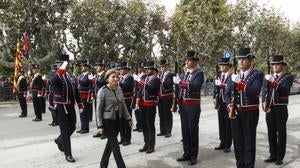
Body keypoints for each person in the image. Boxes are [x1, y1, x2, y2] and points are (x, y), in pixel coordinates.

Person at [225, 47, 263, 168]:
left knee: (249, 142)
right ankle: (240, 165)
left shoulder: (257, 74)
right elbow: (227, 94)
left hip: (250, 113)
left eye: (244, 59)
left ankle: (249, 166)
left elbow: (255, 91)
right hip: (235, 113)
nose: (241, 61)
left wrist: (241, 84)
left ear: (250, 60)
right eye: (239, 59)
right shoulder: (234, 76)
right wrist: (229, 105)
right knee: (237, 141)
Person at [49, 55, 84, 163]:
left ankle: (60, 140)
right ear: (60, 65)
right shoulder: (55, 74)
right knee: (64, 130)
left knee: (72, 126)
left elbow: (75, 91)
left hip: (70, 105)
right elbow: (53, 81)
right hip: (61, 106)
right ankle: (68, 154)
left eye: (67, 64)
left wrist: (80, 104)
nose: (67, 66)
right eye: (65, 64)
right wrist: (61, 69)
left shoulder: (70, 76)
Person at [96, 69, 132, 168]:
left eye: (117, 77)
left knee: (110, 145)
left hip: (118, 120)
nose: (116, 79)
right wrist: (100, 125)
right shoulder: (102, 91)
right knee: (116, 147)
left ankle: (103, 165)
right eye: (113, 77)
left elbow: (123, 105)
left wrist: (128, 118)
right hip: (107, 122)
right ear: (107, 79)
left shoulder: (119, 89)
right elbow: (98, 110)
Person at [173, 50, 204, 165]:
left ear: (195, 62)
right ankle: (186, 153)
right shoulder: (184, 74)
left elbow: (196, 86)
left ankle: (193, 155)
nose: (186, 61)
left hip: (193, 105)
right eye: (186, 59)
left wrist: (181, 83)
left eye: (189, 59)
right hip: (183, 105)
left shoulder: (199, 73)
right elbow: (179, 89)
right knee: (185, 130)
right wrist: (176, 101)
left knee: (192, 130)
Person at [262, 55, 293, 165]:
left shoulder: (288, 77)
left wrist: (274, 82)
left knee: (281, 133)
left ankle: (280, 156)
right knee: (271, 133)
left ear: (282, 65)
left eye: (277, 64)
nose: (275, 66)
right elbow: (264, 91)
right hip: (270, 108)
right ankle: (273, 154)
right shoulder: (269, 77)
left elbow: (285, 91)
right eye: (273, 64)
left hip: (280, 108)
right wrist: (264, 102)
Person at [134, 61, 160, 154]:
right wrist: (138, 99)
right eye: (147, 69)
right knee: (144, 125)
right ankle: (146, 143)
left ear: (153, 70)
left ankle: (151, 145)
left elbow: (151, 89)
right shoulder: (145, 78)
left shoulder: (156, 79)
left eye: (149, 69)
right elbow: (140, 90)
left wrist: (140, 82)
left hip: (150, 104)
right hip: (143, 104)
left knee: (150, 125)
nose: (148, 70)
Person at [213, 57, 232, 153]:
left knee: (228, 124)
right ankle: (222, 142)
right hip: (220, 102)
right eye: (220, 65)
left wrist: (221, 85)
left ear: (228, 66)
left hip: (227, 103)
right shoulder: (219, 76)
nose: (221, 67)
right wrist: (214, 98)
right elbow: (215, 88)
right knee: (221, 124)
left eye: (223, 65)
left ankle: (228, 144)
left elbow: (230, 87)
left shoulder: (231, 76)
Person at [118, 62, 135, 146]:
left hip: (127, 101)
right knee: (120, 120)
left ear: (126, 70)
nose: (120, 70)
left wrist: (118, 83)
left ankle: (127, 139)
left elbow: (127, 86)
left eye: (122, 69)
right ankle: (122, 138)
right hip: (120, 101)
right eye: (120, 69)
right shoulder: (120, 78)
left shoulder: (130, 78)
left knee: (127, 120)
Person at [157, 59, 174, 138]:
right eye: (161, 67)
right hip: (160, 97)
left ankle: (168, 131)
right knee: (161, 114)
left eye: (163, 67)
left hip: (167, 97)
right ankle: (162, 130)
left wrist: (160, 82)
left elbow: (169, 84)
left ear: (167, 66)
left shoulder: (170, 74)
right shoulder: (160, 75)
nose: (161, 68)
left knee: (167, 114)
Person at [77, 61, 95, 134]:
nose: (82, 67)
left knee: (85, 112)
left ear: (87, 68)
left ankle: (86, 128)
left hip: (86, 96)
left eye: (83, 66)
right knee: (81, 112)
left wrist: (91, 96)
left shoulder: (89, 75)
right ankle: (82, 127)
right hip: (80, 96)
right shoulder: (81, 75)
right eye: (82, 66)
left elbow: (93, 85)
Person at [93, 61, 107, 139]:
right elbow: (94, 86)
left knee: (103, 114)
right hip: (96, 97)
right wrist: (92, 94)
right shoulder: (97, 75)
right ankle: (99, 130)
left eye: (98, 66)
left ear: (102, 67)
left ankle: (104, 132)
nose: (96, 68)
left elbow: (103, 83)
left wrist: (95, 80)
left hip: (103, 97)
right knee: (97, 114)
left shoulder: (105, 75)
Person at [132, 63, 146, 132]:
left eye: (141, 67)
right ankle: (138, 125)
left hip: (141, 96)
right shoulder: (136, 76)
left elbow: (142, 86)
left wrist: (138, 79)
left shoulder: (144, 76)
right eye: (138, 67)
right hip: (135, 95)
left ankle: (142, 126)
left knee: (141, 112)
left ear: (143, 68)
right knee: (136, 111)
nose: (139, 69)